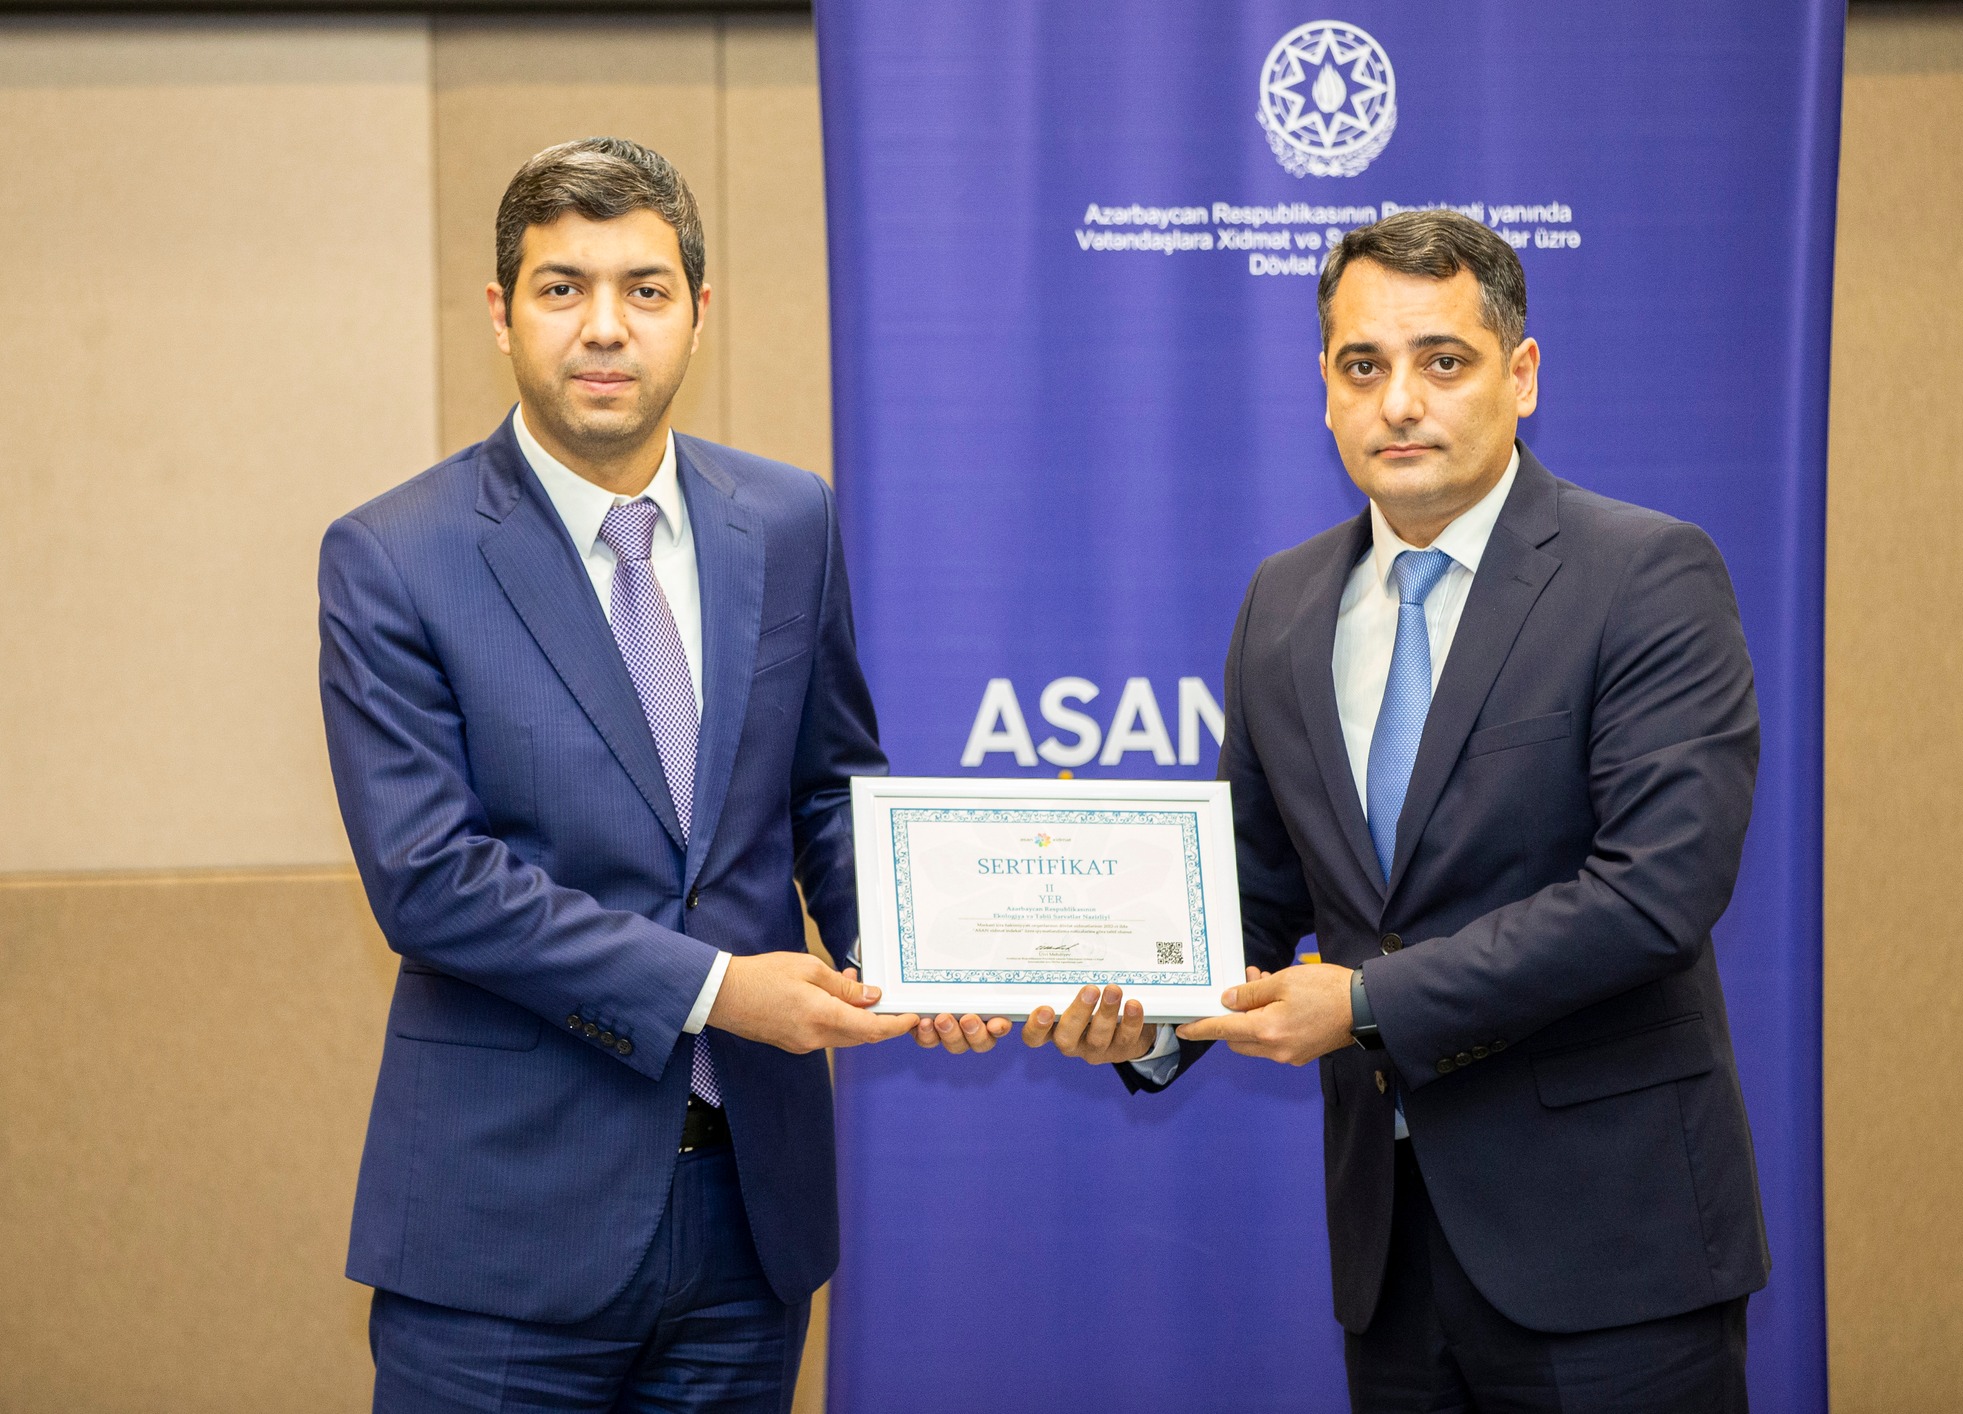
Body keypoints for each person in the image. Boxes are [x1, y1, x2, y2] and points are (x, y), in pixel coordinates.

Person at [1024, 210, 1768, 1412]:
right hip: (1391, 1262)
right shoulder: (1281, 604)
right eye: (1362, 366)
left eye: (1443, 361)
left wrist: (1364, 1002)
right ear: (1324, 388)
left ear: (1520, 375)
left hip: (1613, 1251)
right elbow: (1246, 896)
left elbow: (1653, 894)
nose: (1399, 403)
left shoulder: (1643, 575)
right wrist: (1143, 1019)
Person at [319, 137, 996, 1414]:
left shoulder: (787, 519)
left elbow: (828, 789)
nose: (603, 327)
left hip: (749, 1219)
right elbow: (430, 880)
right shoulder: (394, 556)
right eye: (560, 288)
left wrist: (920, 948)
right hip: (505, 1233)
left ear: (697, 308)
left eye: (643, 288)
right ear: (500, 312)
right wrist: (718, 989)